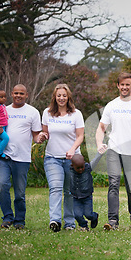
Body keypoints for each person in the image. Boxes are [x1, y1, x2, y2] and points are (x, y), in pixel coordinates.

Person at [96, 72, 131, 230]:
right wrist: (99, 143)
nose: (125, 87)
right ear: (118, 86)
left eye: (128, 84)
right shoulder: (111, 105)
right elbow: (101, 128)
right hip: (114, 149)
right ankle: (113, 221)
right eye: (122, 84)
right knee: (113, 184)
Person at [0, 84, 42, 229]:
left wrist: (40, 138)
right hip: (4, 156)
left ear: (27, 95)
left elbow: (35, 135)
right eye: (16, 93)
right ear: (11, 94)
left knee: (20, 193)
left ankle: (20, 220)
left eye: (21, 93)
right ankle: (7, 217)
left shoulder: (33, 112)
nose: (18, 95)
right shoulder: (3, 110)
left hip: (22, 158)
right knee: (2, 184)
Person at [40, 84, 84, 232]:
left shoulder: (76, 114)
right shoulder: (47, 113)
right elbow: (45, 133)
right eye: (59, 95)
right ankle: (55, 221)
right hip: (52, 158)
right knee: (55, 188)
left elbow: (80, 136)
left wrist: (72, 149)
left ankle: (70, 223)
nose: (61, 98)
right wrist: (42, 136)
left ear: (68, 97)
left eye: (64, 95)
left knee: (70, 191)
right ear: (54, 97)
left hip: (72, 159)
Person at [70, 154, 99, 231]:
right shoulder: (70, 170)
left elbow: (95, 162)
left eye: (82, 167)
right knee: (77, 215)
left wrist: (100, 154)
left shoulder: (87, 168)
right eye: (78, 168)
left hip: (87, 197)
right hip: (76, 197)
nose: (80, 169)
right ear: (73, 166)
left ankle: (95, 217)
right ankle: (84, 226)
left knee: (88, 214)